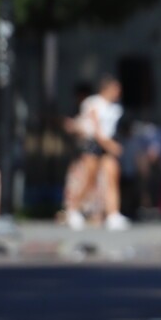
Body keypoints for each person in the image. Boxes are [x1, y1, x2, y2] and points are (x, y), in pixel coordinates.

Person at [65, 77, 128, 231]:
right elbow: (95, 128)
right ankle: (73, 209)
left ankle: (113, 214)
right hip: (94, 142)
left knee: (112, 178)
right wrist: (110, 145)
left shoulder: (116, 108)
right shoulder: (93, 103)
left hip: (108, 143)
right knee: (90, 178)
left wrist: (112, 144)